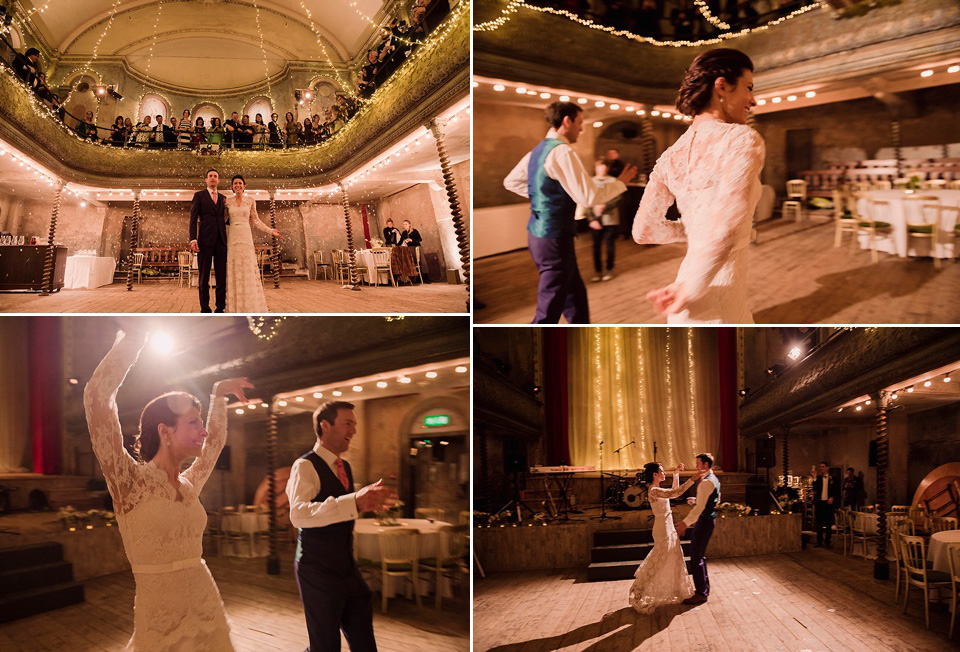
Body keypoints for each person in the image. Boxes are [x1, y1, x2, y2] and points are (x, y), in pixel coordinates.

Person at [84, 326, 254, 650]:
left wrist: (217, 395)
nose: (203, 432)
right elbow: (96, 398)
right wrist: (134, 339)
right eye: (194, 423)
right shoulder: (128, 482)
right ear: (165, 430)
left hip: (206, 608)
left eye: (202, 424)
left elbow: (215, 444)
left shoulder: (190, 485)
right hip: (160, 624)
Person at [632, 48, 763, 323]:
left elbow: (643, 231)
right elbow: (729, 224)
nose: (753, 100)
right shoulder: (741, 139)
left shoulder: (670, 156)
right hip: (712, 297)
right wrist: (692, 288)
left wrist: (695, 232)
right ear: (722, 86)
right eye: (748, 88)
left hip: (680, 296)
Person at [504, 101, 636, 324]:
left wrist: (544, 198)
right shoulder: (562, 152)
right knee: (548, 311)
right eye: (580, 123)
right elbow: (588, 197)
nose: (581, 129)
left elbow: (511, 182)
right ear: (567, 121)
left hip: (538, 234)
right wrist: (620, 183)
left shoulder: (537, 151)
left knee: (575, 296)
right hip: (553, 236)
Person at [286, 401, 397, 652]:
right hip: (316, 567)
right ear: (325, 426)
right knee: (325, 645)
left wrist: (363, 502)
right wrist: (354, 502)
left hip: (345, 564)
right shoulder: (304, 465)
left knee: (364, 639)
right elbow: (299, 514)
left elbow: (339, 510)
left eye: (355, 424)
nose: (354, 430)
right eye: (348, 423)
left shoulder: (344, 466)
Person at [629, 462, 705, 613]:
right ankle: (639, 591)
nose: (664, 473)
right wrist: (692, 479)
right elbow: (675, 493)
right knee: (658, 561)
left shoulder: (658, 490)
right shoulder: (653, 490)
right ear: (654, 475)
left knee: (674, 557)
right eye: (662, 471)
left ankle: (677, 590)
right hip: (662, 528)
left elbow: (673, 491)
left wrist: (676, 474)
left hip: (668, 525)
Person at [224, 174, 282, 313]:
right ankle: (235, 305)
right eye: (235, 183)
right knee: (234, 268)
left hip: (246, 235)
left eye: (240, 183)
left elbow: (255, 220)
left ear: (244, 186)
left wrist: (270, 230)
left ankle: (250, 304)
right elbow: (223, 220)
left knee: (248, 267)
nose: (237, 185)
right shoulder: (227, 202)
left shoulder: (250, 200)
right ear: (232, 186)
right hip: (232, 237)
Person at [676, 453, 721, 605]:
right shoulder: (714, 479)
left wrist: (684, 523)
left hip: (704, 521)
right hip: (709, 520)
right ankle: (703, 589)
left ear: (706, 465)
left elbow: (700, 509)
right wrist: (697, 499)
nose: (696, 466)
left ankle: (701, 593)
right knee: (699, 556)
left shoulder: (706, 482)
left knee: (696, 557)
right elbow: (716, 499)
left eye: (698, 463)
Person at [576, 158, 622, 282]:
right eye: (600, 166)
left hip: (610, 219)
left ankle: (609, 269)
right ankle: (598, 271)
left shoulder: (614, 181)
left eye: (604, 167)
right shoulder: (589, 182)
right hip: (595, 219)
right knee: (596, 246)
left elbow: (618, 198)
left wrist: (605, 206)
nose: (602, 169)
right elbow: (585, 201)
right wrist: (591, 219)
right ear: (596, 168)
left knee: (609, 245)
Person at [189, 169, 229, 313]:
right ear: (206, 180)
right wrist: (193, 239)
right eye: (210, 176)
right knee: (204, 277)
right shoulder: (199, 196)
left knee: (221, 277)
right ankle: (205, 308)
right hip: (204, 241)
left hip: (221, 241)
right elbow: (193, 219)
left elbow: (228, 218)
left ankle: (220, 307)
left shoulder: (224, 198)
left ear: (219, 180)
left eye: (215, 176)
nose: (213, 178)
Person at [812, 462, 839, 548]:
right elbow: (814, 489)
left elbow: (837, 491)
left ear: (827, 468)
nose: (821, 468)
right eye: (820, 467)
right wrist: (814, 478)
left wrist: (832, 497)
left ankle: (828, 541)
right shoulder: (818, 478)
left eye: (823, 467)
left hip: (828, 504)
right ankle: (819, 541)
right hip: (820, 503)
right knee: (819, 523)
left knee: (828, 523)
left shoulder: (833, 479)